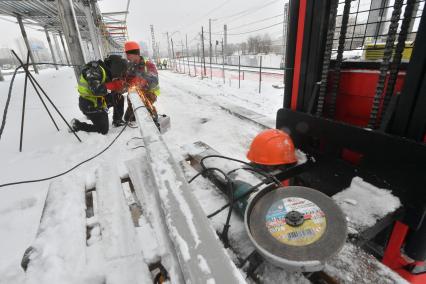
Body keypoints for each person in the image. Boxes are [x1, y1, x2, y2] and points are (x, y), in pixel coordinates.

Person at [70, 55, 128, 134]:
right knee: (103, 129)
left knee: (118, 97)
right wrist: (114, 85)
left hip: (99, 100)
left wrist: (117, 89)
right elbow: (96, 90)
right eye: (120, 73)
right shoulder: (94, 71)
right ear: (115, 68)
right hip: (89, 104)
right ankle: (77, 125)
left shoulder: (106, 71)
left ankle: (117, 120)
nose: (119, 76)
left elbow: (107, 89)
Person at [123, 41, 160, 122]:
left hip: (149, 93)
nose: (127, 57)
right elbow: (126, 80)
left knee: (147, 116)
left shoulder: (148, 64)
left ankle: (151, 112)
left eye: (128, 55)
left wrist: (144, 81)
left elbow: (155, 80)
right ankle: (134, 108)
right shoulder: (130, 66)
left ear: (135, 54)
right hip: (134, 94)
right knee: (128, 118)